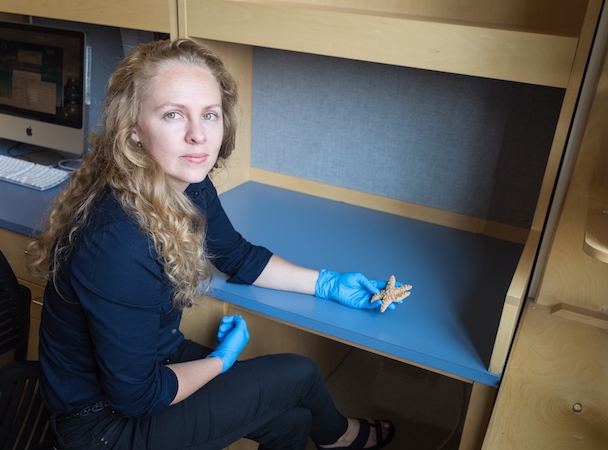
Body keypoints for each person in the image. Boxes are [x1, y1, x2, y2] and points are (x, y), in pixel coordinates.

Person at [28, 38, 410, 450]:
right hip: (102, 426)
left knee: (292, 419)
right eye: (173, 114)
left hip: (150, 364)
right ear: (134, 130)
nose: (198, 135)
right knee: (299, 374)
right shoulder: (118, 244)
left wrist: (328, 283)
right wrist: (218, 361)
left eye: (209, 115)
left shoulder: (186, 185)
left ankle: (333, 436)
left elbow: (237, 257)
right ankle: (341, 439)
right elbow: (137, 397)